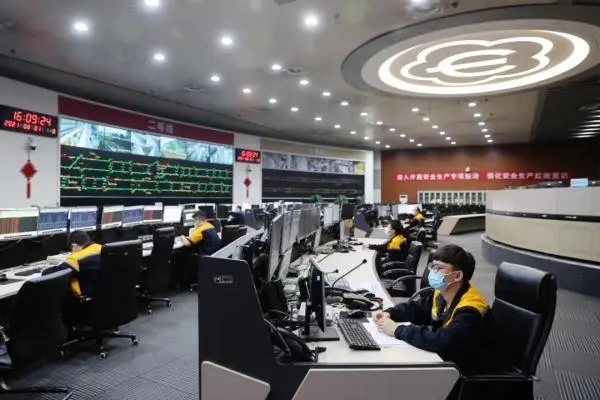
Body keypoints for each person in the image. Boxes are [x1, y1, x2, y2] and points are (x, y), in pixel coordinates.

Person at [372, 244, 498, 375]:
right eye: (432, 266)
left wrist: (397, 330)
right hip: (451, 360)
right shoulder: (442, 293)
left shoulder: (470, 309)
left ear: (457, 276)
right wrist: (390, 313)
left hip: (472, 372)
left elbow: (443, 341)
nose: (432, 272)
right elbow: (417, 309)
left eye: (439, 268)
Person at [43, 230, 102, 297]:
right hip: (102, 293)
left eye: (71, 249)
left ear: (74, 245)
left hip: (84, 297)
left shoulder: (76, 259)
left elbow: (52, 273)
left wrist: (44, 270)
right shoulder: (101, 248)